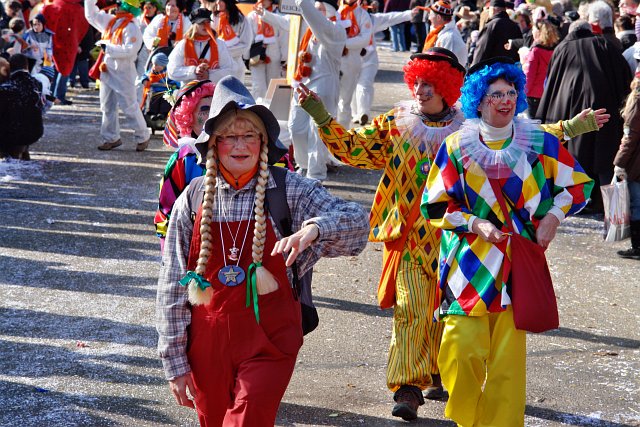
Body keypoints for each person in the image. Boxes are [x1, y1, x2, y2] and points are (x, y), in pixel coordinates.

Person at [295, 46, 607, 421]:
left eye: (429, 84)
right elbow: (355, 149)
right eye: (417, 83)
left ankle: (442, 375)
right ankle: (408, 387)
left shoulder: (467, 128)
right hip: (414, 237)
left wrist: (570, 129)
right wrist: (321, 116)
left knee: (452, 319)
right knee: (412, 311)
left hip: (462, 244)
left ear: (447, 87)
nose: (420, 90)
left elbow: (521, 138)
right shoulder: (396, 124)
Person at [156, 75, 369, 425]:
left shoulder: (289, 190)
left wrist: (315, 229)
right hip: (207, 342)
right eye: (229, 136)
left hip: (271, 339)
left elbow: (358, 224)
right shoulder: (192, 198)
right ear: (213, 144)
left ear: (264, 142)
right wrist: (174, 362)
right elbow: (171, 283)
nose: (240, 145)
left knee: (249, 418)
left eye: (250, 136)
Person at [420, 57, 594, 427]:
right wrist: (474, 222)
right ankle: (468, 419)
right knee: (459, 350)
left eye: (511, 92)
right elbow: (433, 204)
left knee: (507, 363)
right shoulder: (456, 146)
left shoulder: (539, 143)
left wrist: (553, 217)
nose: (506, 100)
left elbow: (578, 185)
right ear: (478, 100)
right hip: (468, 263)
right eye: (496, 94)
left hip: (517, 262)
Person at [537, 20, 632, 212]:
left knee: (577, 154)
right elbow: (624, 79)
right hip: (607, 110)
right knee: (606, 156)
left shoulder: (562, 49)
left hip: (571, 111)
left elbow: (551, 84)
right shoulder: (606, 45)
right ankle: (611, 208)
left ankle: (578, 200)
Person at [155, 79, 215, 249]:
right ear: (188, 117)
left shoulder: (232, 151)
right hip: (190, 242)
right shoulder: (184, 159)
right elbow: (166, 206)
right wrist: (170, 246)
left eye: (216, 108)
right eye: (205, 110)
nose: (213, 115)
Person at [84, 0, 152, 151]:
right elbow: (91, 16)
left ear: (127, 6)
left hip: (123, 72)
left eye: (120, 3)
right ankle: (111, 138)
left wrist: (108, 48)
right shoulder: (111, 21)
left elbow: (130, 50)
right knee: (106, 106)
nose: (116, 5)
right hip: (107, 70)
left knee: (129, 106)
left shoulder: (132, 27)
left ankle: (143, 136)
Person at [613, 58, 640, 260]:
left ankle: (637, 246)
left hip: (636, 164)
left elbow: (629, 137)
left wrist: (619, 163)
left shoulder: (637, 101)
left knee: (637, 205)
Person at [167, 8, 235, 83]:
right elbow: (171, 70)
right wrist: (194, 71)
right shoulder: (183, 44)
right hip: (190, 89)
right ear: (194, 25)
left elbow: (230, 70)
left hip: (213, 88)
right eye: (201, 23)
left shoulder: (219, 44)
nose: (205, 25)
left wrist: (209, 75)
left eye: (208, 22)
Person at [41, 0, 89, 105]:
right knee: (65, 70)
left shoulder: (52, 7)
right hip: (70, 43)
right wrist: (77, 40)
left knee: (54, 70)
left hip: (53, 42)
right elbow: (83, 25)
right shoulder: (79, 10)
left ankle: (51, 96)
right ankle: (59, 96)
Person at [335, 0, 372, 127]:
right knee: (328, 98)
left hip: (350, 62)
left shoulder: (362, 14)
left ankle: (341, 133)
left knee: (344, 101)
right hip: (331, 60)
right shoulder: (334, 10)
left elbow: (365, 39)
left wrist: (343, 44)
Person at [0, 53, 43, 160]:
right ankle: (23, 152)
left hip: (12, 134)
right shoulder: (37, 83)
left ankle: (9, 155)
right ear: (27, 66)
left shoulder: (6, 87)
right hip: (35, 131)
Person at [247, 0, 287, 101]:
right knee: (258, 87)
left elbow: (283, 38)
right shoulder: (252, 16)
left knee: (272, 86)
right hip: (256, 55)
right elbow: (248, 38)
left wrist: (284, 58)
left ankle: (270, 109)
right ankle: (258, 108)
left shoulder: (278, 16)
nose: (262, 2)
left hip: (274, 54)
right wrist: (247, 58)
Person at [523, 19, 559, 118]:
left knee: (533, 124)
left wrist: (523, 92)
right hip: (549, 93)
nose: (532, 32)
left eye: (533, 30)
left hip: (534, 94)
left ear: (538, 32)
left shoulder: (536, 51)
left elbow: (529, 75)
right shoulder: (556, 50)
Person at [209, 0, 253, 81]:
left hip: (235, 63)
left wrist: (223, 51)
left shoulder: (240, 19)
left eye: (221, 0)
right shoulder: (213, 17)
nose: (217, 2)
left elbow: (246, 44)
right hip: (216, 65)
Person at [471, 0, 522, 65]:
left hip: (492, 68)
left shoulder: (491, 26)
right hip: (511, 68)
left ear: (493, 9)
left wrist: (474, 68)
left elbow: (481, 51)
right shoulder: (515, 26)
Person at [423, 0, 467, 66]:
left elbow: (445, 66)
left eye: (430, 15)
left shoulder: (448, 37)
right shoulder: (442, 33)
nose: (429, 18)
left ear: (438, 17)